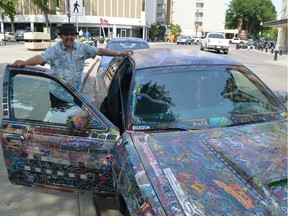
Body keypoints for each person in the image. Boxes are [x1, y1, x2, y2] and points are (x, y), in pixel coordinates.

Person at [13, 23, 133, 91]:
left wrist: (118, 54)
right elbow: (40, 58)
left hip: (76, 94)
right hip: (58, 95)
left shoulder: (82, 48)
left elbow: (99, 50)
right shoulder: (54, 50)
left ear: (75, 36)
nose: (69, 37)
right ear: (61, 36)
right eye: (66, 34)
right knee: (60, 124)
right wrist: (25, 62)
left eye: (72, 34)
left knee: (76, 125)